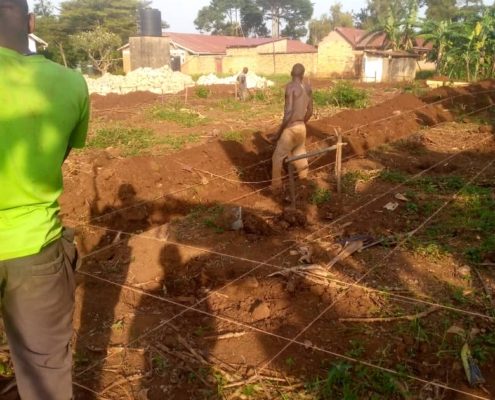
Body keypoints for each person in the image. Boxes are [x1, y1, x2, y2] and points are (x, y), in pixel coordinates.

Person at [0, 0, 89, 399]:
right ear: (31, 22)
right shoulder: (71, 83)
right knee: (46, 374)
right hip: (35, 249)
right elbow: (61, 154)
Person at [271, 63, 313, 189]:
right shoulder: (308, 87)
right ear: (302, 75)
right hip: (302, 128)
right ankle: (303, 182)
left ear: (291, 73)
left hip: (291, 129)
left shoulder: (290, 87)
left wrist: (278, 133)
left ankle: (276, 187)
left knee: (277, 158)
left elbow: (288, 112)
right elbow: (310, 111)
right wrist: (302, 123)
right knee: (300, 154)